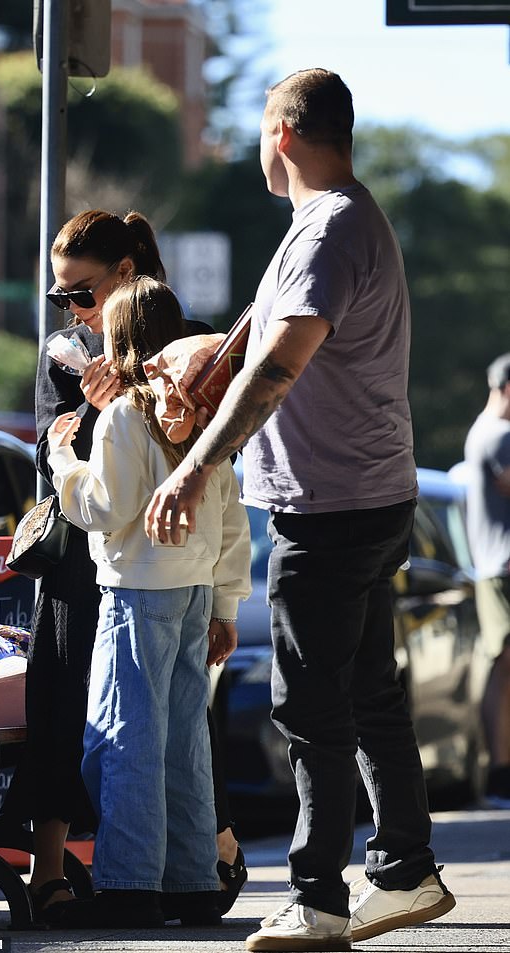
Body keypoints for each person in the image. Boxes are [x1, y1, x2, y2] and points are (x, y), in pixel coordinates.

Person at [144, 68, 456, 951]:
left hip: (328, 506)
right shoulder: (326, 223)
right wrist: (183, 363)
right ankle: (404, 870)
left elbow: (278, 367)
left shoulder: (332, 230)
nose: (254, 144)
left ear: (282, 131)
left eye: (257, 129)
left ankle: (317, 895)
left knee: (310, 703)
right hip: (367, 493)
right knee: (368, 688)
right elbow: (254, 337)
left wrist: (192, 470)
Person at [2, 209, 247, 926]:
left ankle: (134, 880)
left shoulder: (152, 393)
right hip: (174, 584)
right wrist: (228, 600)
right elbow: (230, 514)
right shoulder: (185, 406)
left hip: (127, 585)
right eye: (61, 298)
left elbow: (95, 496)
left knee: (123, 736)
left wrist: (73, 447)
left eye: (82, 294)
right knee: (175, 734)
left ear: (125, 281)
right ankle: (190, 875)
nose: (73, 311)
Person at [463, 353, 510, 809]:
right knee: (503, 664)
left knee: (502, 664)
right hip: (504, 568)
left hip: (493, 567)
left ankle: (498, 770)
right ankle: (500, 771)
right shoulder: (500, 435)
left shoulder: (481, 431)